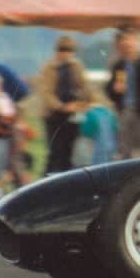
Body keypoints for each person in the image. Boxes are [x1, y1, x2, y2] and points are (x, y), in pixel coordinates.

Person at [105, 27, 140, 159]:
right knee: (124, 151)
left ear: (138, 42)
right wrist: (114, 89)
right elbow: (109, 91)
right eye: (125, 41)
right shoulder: (119, 65)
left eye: (131, 41)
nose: (128, 44)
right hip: (125, 112)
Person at [38, 36, 93, 174]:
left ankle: (64, 181)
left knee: (70, 151)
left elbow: (85, 87)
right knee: (55, 151)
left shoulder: (77, 67)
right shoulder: (49, 68)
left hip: (73, 114)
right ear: (57, 51)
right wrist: (61, 106)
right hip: (53, 115)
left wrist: (83, 103)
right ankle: (48, 181)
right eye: (62, 50)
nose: (65, 53)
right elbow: (46, 92)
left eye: (69, 50)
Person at [78, 99, 120, 165]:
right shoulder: (110, 113)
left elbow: (85, 132)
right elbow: (116, 128)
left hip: (97, 149)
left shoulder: (90, 114)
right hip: (111, 147)